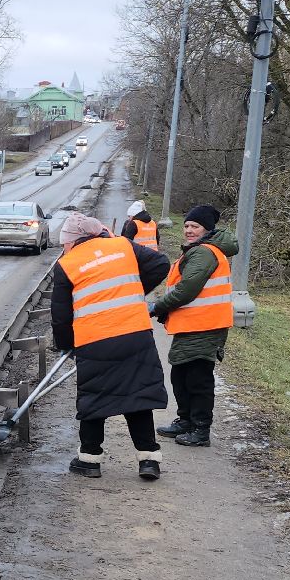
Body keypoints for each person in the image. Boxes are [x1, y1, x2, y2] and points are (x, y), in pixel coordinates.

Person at [49, 211, 172, 480]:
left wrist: (66, 345)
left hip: (95, 340)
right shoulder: (123, 245)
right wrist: (135, 293)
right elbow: (161, 263)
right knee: (138, 396)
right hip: (135, 333)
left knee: (95, 398)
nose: (63, 248)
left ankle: (89, 460)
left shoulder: (67, 264)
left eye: (65, 243)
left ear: (75, 240)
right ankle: (149, 460)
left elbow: (60, 315)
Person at [150, 204, 238, 447]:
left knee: (197, 379)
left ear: (207, 229)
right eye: (187, 225)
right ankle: (186, 421)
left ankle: (200, 430)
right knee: (181, 374)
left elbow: (187, 289)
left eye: (195, 226)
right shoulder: (201, 250)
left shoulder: (203, 253)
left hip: (205, 325)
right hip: (195, 324)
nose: (189, 230)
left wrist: (158, 306)